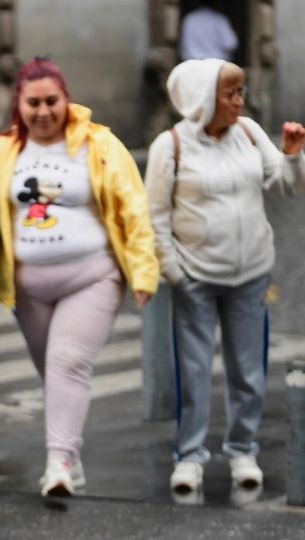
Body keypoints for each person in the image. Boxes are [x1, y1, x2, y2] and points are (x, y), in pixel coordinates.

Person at [0, 58, 159, 497]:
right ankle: (69, 454)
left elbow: (133, 208)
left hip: (92, 277)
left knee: (68, 363)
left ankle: (58, 464)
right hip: (28, 288)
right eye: (33, 103)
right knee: (55, 373)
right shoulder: (1, 150)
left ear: (66, 99)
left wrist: (143, 271)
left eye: (51, 101)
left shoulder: (98, 143)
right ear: (18, 104)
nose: (43, 111)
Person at [144, 58, 305, 494]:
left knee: (249, 371)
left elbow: (286, 184)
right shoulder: (170, 145)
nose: (240, 101)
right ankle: (190, 457)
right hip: (195, 276)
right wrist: (175, 272)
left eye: (241, 92)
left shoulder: (250, 133)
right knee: (193, 372)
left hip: (251, 273)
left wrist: (292, 155)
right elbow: (154, 216)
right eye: (231, 94)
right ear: (202, 99)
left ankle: (242, 450)